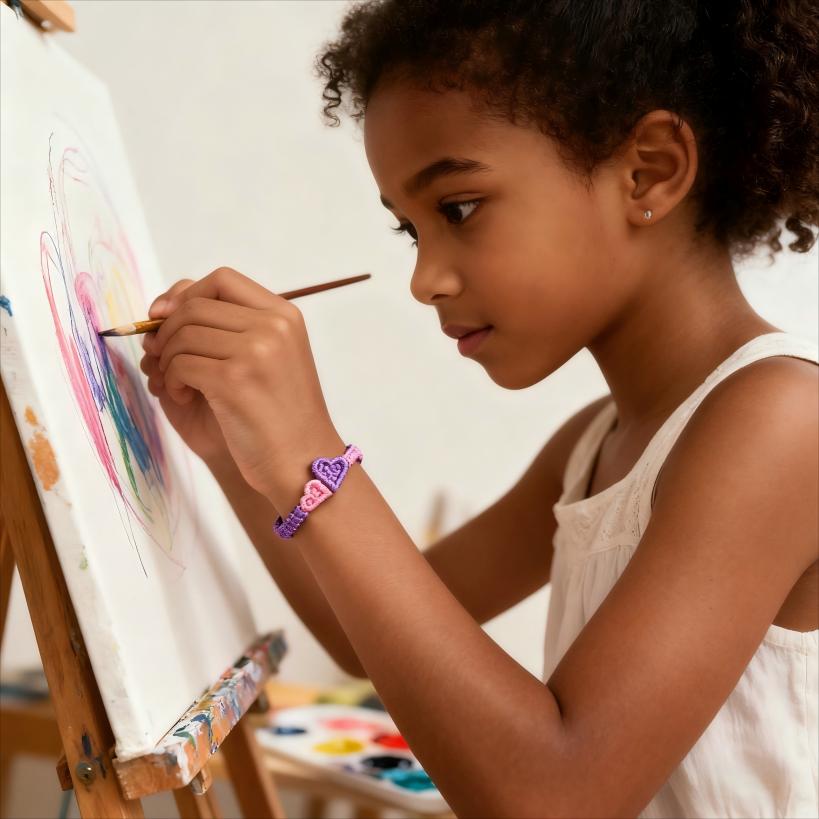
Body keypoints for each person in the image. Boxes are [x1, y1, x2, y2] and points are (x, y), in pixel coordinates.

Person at [140, 2, 818, 815]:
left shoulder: (780, 422)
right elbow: (360, 632)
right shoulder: (593, 443)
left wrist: (311, 452)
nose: (425, 278)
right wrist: (236, 450)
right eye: (409, 231)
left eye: (457, 208)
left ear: (649, 171)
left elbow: (556, 792)